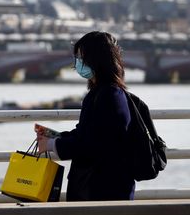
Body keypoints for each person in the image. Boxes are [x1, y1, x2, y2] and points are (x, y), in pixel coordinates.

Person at [36, 31, 135, 201]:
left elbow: (94, 144)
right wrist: (55, 137)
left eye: (81, 57)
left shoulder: (109, 96)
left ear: (96, 59)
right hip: (99, 185)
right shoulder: (103, 93)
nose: (77, 62)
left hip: (102, 188)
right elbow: (87, 133)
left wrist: (53, 144)